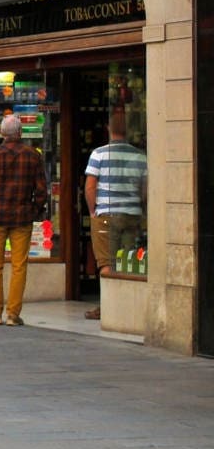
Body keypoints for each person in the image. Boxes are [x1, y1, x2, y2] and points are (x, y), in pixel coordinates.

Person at [0, 114, 48, 327]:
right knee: (19, 266)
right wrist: (34, 210)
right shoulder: (32, 155)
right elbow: (42, 190)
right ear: (20, 133)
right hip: (22, 217)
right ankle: (13, 314)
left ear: (2, 133)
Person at [83, 110, 148, 320]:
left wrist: (93, 211)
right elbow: (145, 190)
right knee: (128, 262)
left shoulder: (99, 154)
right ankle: (128, 307)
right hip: (132, 215)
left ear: (109, 129)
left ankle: (109, 308)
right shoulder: (140, 156)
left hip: (106, 215)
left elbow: (90, 186)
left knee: (107, 264)